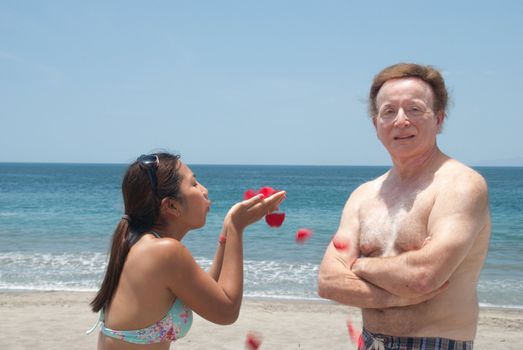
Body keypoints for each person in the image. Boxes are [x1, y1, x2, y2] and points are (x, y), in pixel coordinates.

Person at [318, 63, 490, 350]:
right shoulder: (363, 195)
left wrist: (357, 264)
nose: (400, 120)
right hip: (371, 342)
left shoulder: (460, 185)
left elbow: (423, 277)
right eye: (388, 111)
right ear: (376, 125)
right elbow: (328, 281)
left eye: (414, 109)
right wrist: (395, 296)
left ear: (438, 119)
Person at [87, 152, 285, 349]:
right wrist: (236, 228)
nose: (204, 191)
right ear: (171, 206)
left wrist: (227, 228)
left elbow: (208, 292)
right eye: (194, 184)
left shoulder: (137, 242)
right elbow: (227, 311)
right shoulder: (165, 252)